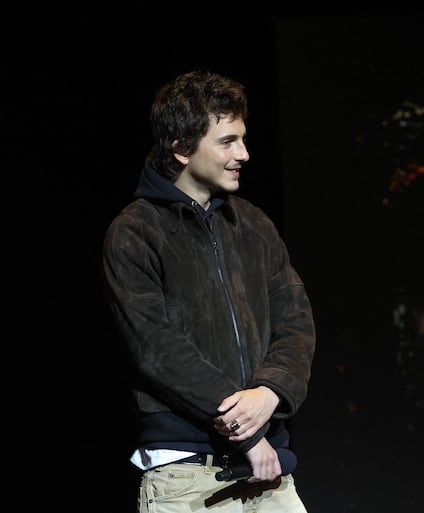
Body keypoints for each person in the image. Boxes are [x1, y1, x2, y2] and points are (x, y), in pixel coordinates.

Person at [101, 70, 316, 512]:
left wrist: (270, 391)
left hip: (269, 472)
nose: (244, 154)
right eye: (227, 141)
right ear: (181, 147)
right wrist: (246, 429)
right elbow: (156, 347)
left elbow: (296, 322)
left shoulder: (254, 224)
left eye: (243, 139)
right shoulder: (134, 232)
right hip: (188, 475)